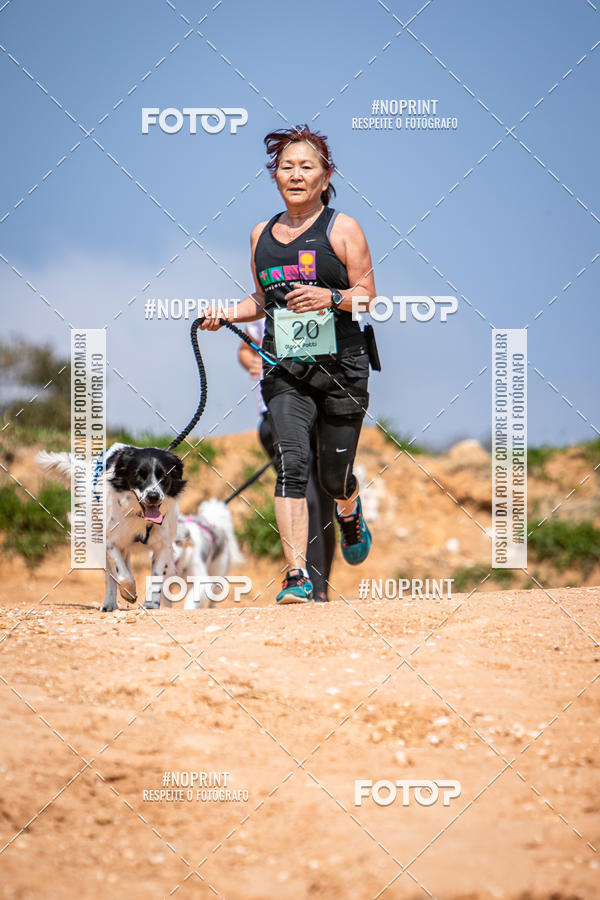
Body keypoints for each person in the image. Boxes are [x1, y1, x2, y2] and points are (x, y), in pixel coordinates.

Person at [201, 124, 376, 604]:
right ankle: (296, 575)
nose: (296, 174)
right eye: (286, 167)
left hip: (342, 370)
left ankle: (349, 508)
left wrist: (331, 295)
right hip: (286, 371)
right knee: (291, 463)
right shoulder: (261, 234)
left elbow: (369, 299)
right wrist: (225, 314)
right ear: (275, 176)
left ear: (326, 176)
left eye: (307, 167)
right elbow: (262, 300)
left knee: (332, 478)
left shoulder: (343, 229)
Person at [238, 318, 336, 602]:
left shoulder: (320, 292)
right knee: (307, 497)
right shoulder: (264, 302)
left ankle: (320, 588)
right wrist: (252, 363)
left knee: (326, 498)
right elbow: (246, 348)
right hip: (277, 413)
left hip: (324, 410)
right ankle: (305, 583)